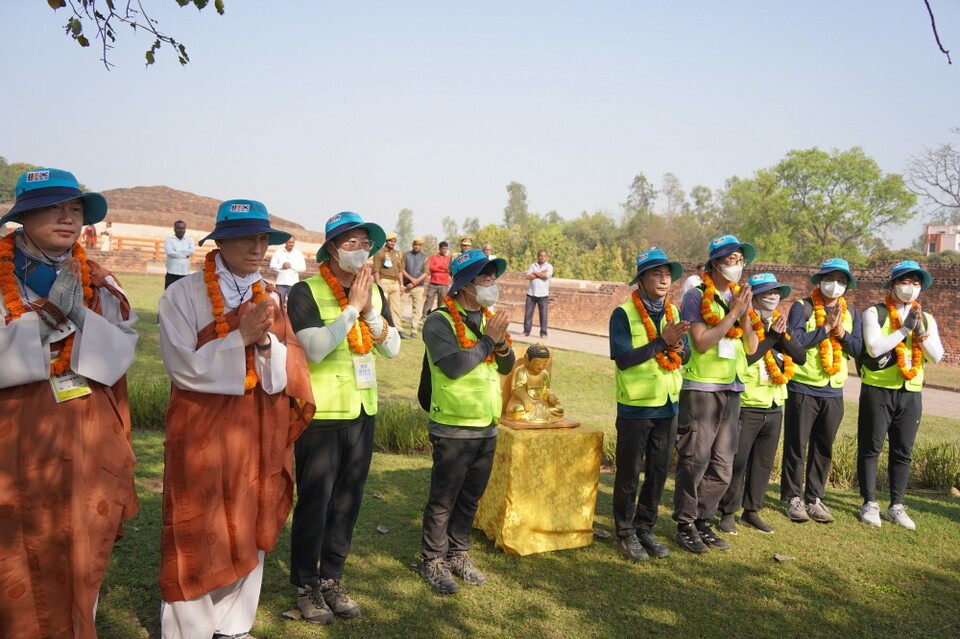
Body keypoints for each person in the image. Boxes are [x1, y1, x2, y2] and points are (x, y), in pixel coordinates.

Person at [157, 200, 314, 639]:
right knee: (196, 520)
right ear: (220, 242)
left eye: (262, 238)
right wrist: (239, 337)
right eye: (246, 238)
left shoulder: (270, 295)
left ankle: (234, 623)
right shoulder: (183, 294)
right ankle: (188, 629)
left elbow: (283, 370)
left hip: (256, 423)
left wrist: (263, 345)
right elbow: (181, 367)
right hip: (200, 423)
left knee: (250, 512)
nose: (257, 247)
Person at [0, 168, 139, 639]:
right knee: (16, 543)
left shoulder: (98, 278)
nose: (67, 218)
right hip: (14, 434)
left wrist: (80, 313)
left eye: (75, 209)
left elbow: (121, 352)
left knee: (81, 537)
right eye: (52, 208)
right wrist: (42, 323)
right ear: (22, 216)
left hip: (85, 432)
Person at [287, 212, 400, 624]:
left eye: (365, 243)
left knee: (347, 502)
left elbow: (392, 349)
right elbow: (315, 349)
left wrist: (369, 312)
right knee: (315, 504)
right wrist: (352, 309)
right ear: (331, 249)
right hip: (321, 414)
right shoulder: (306, 292)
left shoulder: (375, 292)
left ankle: (332, 578)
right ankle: (306, 585)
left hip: (362, 411)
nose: (360, 250)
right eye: (350, 243)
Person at [419, 249, 514, 594]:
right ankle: (433, 559)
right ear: (465, 285)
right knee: (444, 497)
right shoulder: (439, 321)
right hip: (453, 424)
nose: (491, 282)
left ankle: (458, 553)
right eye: (484, 276)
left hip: (486, 421)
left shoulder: (489, 318)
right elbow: (455, 366)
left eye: (493, 276)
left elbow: (506, 365)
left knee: (471, 496)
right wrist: (490, 339)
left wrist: (499, 342)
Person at [672, 235, 757, 553]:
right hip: (702, 388)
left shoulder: (739, 297)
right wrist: (733, 314)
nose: (738, 265)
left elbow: (751, 347)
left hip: (732, 387)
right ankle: (684, 524)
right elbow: (702, 342)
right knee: (695, 460)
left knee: (723, 465)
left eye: (740, 260)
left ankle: (702, 520)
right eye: (732, 259)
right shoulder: (695, 297)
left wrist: (744, 313)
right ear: (716, 263)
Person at [609, 248, 690, 562]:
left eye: (667, 274)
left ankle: (645, 528)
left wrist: (677, 347)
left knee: (657, 473)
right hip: (636, 406)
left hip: (668, 405)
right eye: (657, 274)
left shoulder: (673, 312)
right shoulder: (623, 313)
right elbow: (624, 359)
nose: (664, 280)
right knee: (629, 475)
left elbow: (686, 355)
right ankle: (625, 533)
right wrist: (661, 342)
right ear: (641, 279)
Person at [717, 273, 806, 536]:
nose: (772, 296)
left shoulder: (780, 323)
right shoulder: (745, 321)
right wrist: (771, 337)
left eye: (776, 292)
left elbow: (800, 357)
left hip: (774, 404)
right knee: (738, 462)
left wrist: (781, 336)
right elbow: (748, 357)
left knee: (763, 463)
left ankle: (752, 511)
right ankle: (728, 512)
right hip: (748, 404)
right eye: (766, 292)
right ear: (753, 297)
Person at [857, 261, 943, 530]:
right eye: (905, 282)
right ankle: (869, 503)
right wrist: (904, 329)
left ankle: (896, 505)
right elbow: (874, 348)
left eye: (916, 283)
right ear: (892, 285)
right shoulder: (875, 313)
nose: (910, 288)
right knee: (871, 448)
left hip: (910, 392)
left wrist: (920, 332)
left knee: (903, 451)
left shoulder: (927, 319)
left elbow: (936, 356)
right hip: (878, 390)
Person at [781, 258, 863, 524]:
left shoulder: (852, 313)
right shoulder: (802, 307)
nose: (835, 285)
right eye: (830, 279)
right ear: (819, 281)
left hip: (833, 390)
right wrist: (825, 328)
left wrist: (841, 333)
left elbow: (859, 349)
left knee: (823, 447)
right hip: (803, 386)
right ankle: (793, 498)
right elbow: (795, 342)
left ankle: (814, 498)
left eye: (841, 280)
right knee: (796, 445)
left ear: (847, 285)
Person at [505, 343, 564, 422]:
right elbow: (515, 390)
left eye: (544, 363)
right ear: (527, 359)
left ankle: (539, 416)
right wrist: (525, 400)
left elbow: (547, 389)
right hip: (522, 402)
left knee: (560, 410)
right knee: (515, 410)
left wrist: (551, 397)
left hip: (541, 403)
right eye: (537, 363)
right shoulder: (521, 371)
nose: (541, 366)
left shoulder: (544, 373)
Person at [372, 231, 404, 332]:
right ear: (386, 241)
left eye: (394, 241)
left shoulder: (398, 254)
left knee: (396, 308)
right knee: (382, 307)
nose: (392, 243)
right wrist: (378, 285)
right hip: (384, 282)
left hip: (395, 283)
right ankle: (381, 329)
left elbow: (400, 271)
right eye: (390, 241)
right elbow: (376, 270)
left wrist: (402, 285)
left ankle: (397, 330)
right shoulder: (380, 253)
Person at [401, 237, 428, 338]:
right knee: (400, 308)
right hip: (406, 286)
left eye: (419, 245)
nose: (417, 246)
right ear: (412, 245)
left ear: (422, 246)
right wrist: (412, 280)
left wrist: (415, 282)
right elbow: (402, 269)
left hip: (419, 287)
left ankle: (414, 331)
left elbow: (426, 272)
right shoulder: (406, 255)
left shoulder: (425, 257)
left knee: (416, 310)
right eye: (415, 244)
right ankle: (398, 329)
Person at [269, 235, 307, 307]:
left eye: (293, 242)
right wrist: (281, 266)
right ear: (285, 242)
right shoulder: (278, 252)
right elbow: (272, 265)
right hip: (280, 283)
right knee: (279, 304)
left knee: (293, 305)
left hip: (293, 284)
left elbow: (303, 268)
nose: (291, 244)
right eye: (289, 242)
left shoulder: (298, 253)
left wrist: (291, 266)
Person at [523, 250, 553, 338]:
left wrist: (534, 273)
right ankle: (526, 332)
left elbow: (546, 276)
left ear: (546, 257)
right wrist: (540, 273)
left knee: (543, 315)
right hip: (531, 293)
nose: (542, 257)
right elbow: (528, 277)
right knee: (528, 314)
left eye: (544, 256)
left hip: (543, 294)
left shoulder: (549, 266)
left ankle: (543, 333)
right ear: (538, 256)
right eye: (540, 255)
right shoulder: (533, 265)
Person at [423, 241, 451, 320]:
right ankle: (425, 317)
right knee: (429, 300)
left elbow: (448, 268)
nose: (444, 251)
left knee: (442, 302)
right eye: (443, 249)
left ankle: (439, 318)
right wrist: (443, 269)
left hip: (444, 284)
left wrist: (438, 267)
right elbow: (431, 267)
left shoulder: (448, 259)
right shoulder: (433, 257)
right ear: (439, 249)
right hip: (433, 283)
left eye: (446, 249)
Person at [164, 220, 195, 289]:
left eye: (182, 228)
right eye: (178, 228)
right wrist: (185, 255)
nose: (180, 230)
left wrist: (176, 252)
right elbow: (169, 252)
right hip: (172, 273)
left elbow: (192, 251)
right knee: (169, 294)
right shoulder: (169, 240)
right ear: (174, 229)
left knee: (184, 294)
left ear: (185, 229)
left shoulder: (189, 240)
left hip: (185, 274)